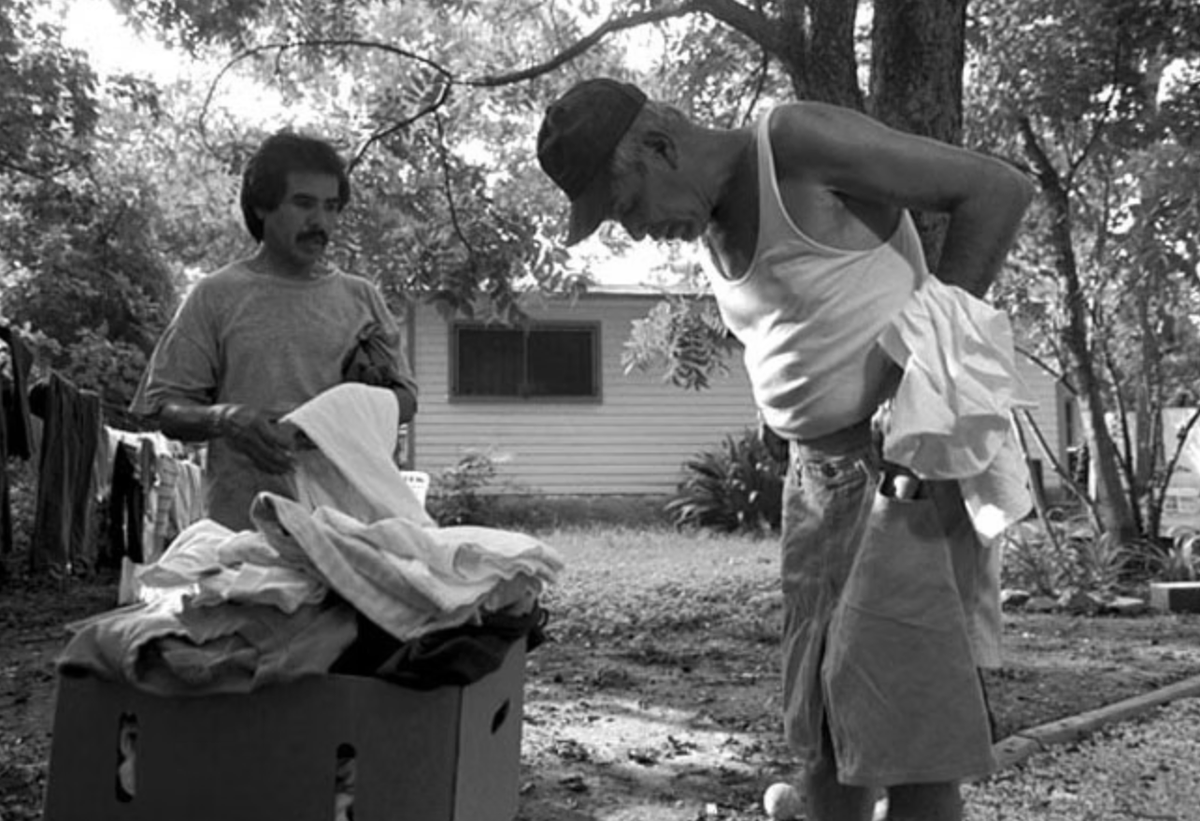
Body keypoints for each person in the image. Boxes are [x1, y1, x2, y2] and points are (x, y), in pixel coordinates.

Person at [536, 79, 1035, 821]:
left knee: (909, 746)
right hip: (816, 487)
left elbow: (997, 189)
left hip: (900, 476)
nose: (636, 233)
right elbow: (809, 319)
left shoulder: (794, 145)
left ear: (659, 146)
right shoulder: (706, 225)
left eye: (628, 207)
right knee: (828, 728)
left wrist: (929, 388)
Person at [132, 131, 418, 532]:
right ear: (262, 206)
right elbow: (166, 409)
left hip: (348, 531)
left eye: (331, 207)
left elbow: (405, 399)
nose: (320, 222)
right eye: (303, 204)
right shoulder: (216, 295)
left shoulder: (361, 298)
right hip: (245, 532)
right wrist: (226, 418)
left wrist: (343, 414)